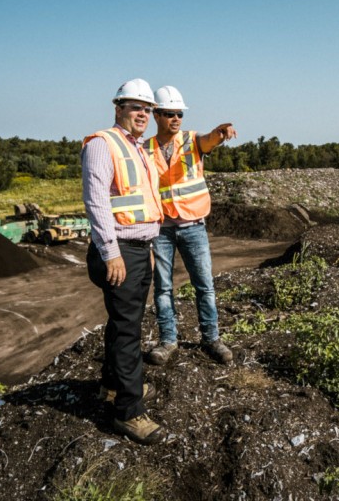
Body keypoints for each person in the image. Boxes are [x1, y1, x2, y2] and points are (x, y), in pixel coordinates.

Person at [81, 78, 166, 445]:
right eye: (135, 107)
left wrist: (145, 242)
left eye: (146, 108)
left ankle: (111, 386)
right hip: (117, 251)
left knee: (122, 323)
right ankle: (129, 412)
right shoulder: (103, 144)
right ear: (118, 108)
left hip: (135, 248)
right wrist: (112, 252)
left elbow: (138, 204)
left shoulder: (138, 147)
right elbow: (97, 201)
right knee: (129, 330)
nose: (142, 114)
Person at [143, 85, 237, 366]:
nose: (176, 118)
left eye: (179, 113)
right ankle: (168, 341)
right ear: (156, 114)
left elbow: (208, 141)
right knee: (162, 287)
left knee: (204, 285)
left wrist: (219, 134)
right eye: (170, 113)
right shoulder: (145, 149)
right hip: (161, 228)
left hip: (193, 226)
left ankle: (211, 338)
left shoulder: (191, 140)